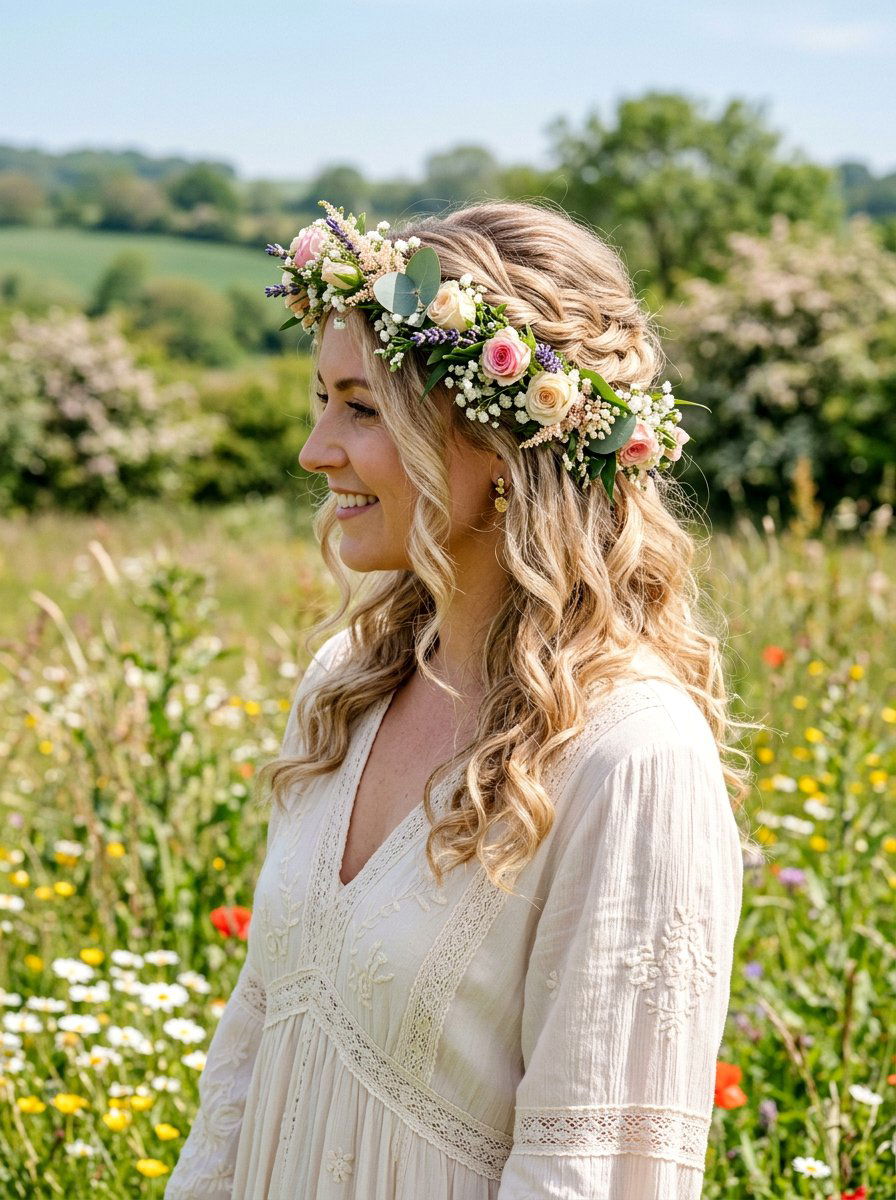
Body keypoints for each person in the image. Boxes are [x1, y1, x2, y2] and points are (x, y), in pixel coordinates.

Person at [165, 199, 751, 1199]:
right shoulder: (346, 688)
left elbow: (595, 1173)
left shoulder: (628, 755)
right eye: (322, 400)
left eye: (360, 408)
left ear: (499, 442)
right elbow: (246, 1061)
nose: (315, 450)